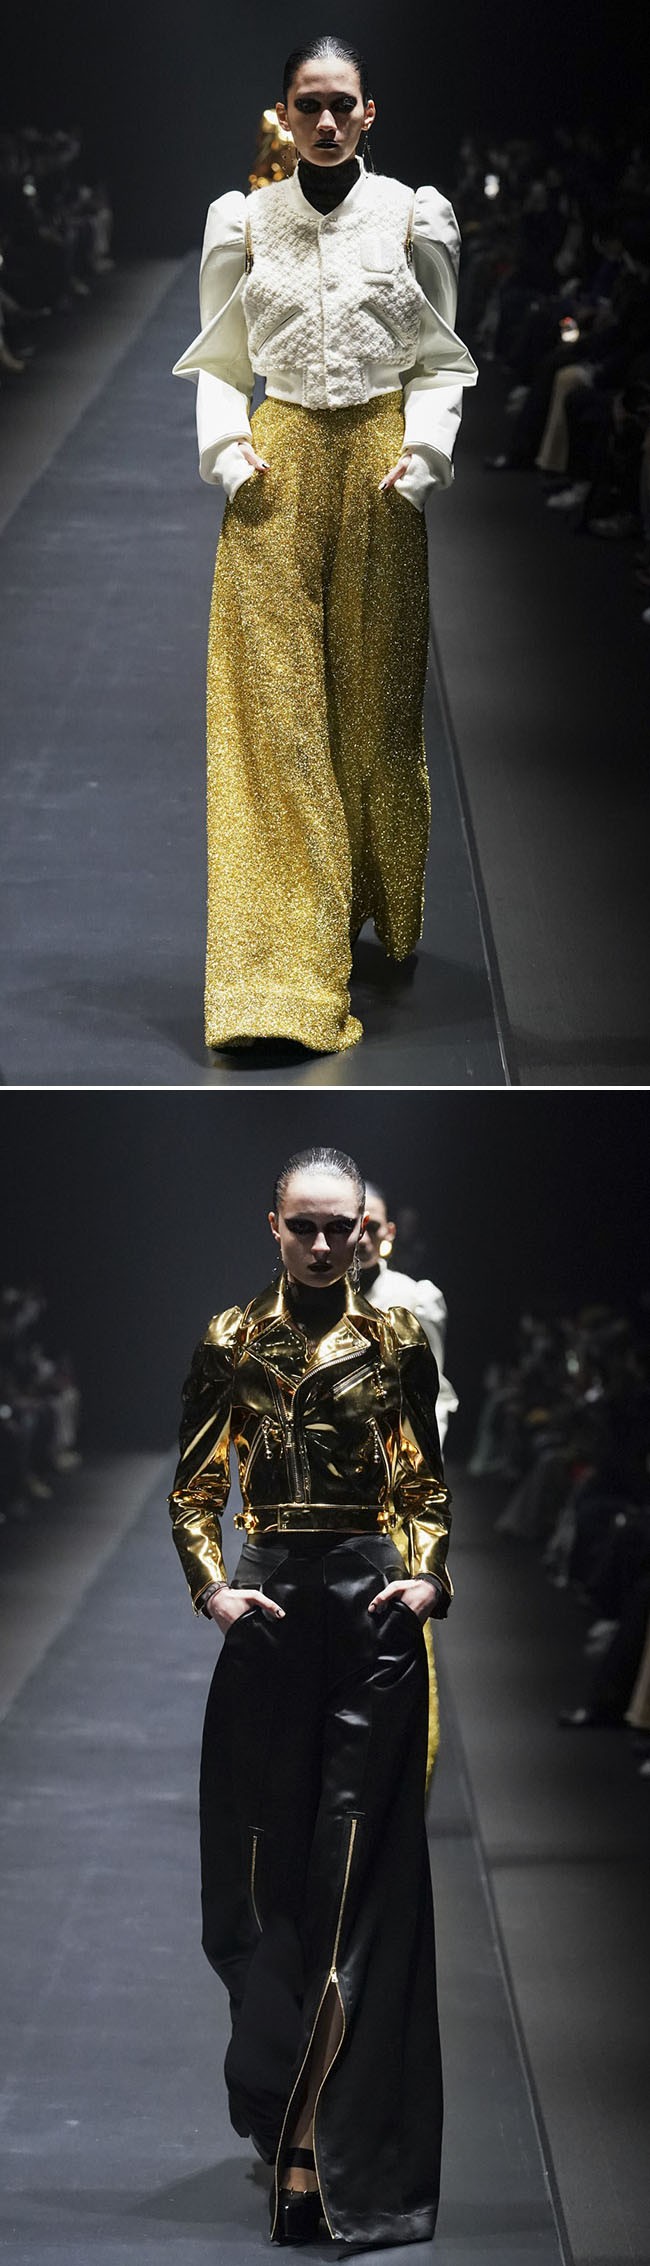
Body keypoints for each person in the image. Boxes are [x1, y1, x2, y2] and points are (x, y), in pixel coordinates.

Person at [169, 1145, 452, 2248]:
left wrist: (428, 1573)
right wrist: (213, 1589)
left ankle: (316, 2156)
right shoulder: (231, 1338)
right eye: (307, 1225)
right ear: (274, 1227)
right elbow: (196, 1483)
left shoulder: (398, 1338)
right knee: (257, 1879)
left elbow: (422, 1479)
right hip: (274, 1607)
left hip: (371, 1614)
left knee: (357, 1879)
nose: (326, 1244)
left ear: (364, 1231)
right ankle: (277, 2104)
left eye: (342, 1227)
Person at [172, 35, 477, 1057]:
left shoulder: (412, 216)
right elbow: (220, 357)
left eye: (342, 103)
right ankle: (278, 976)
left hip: (381, 465)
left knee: (374, 709)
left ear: (368, 112)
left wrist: (424, 455)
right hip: (279, 462)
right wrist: (228, 453)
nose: (327, 121)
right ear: (285, 114)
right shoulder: (243, 220)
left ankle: (370, 900)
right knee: (272, 713)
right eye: (309, 104)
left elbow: (441, 358)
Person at [357, 1178, 458, 1446]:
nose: (363, 1239)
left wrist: (425, 1458)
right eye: (354, 1227)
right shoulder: (321, 1297)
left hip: (394, 1450)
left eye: (372, 1227)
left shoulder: (415, 1298)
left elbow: (430, 1390)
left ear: (389, 1231)